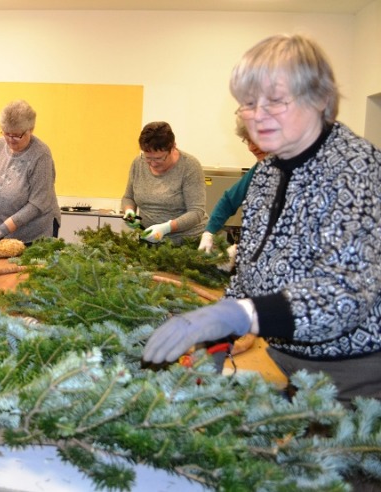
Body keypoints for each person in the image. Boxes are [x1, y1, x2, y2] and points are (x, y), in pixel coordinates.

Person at [143, 34, 381, 406]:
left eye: (275, 101)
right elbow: (250, 267)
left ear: (319, 98)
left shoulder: (355, 169)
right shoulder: (268, 171)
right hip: (283, 359)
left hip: (350, 376)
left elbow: (344, 295)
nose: (258, 115)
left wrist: (238, 314)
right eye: (248, 104)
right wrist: (219, 337)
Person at [0, 99, 61, 244]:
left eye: (16, 135)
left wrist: (1, 230)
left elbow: (37, 204)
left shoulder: (41, 155)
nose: (10, 140)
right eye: (6, 133)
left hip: (33, 235)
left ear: (31, 130)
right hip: (1, 234)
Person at [121, 121, 208, 244]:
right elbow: (128, 197)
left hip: (186, 243)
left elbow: (196, 212)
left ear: (173, 147)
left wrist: (166, 228)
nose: (153, 163)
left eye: (158, 158)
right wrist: (129, 212)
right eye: (148, 158)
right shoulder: (138, 163)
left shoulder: (189, 166)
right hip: (149, 240)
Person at [197, 118, 269, 253]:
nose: (251, 148)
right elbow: (229, 200)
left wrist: (241, 250)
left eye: (255, 140)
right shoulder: (260, 169)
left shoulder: (298, 174)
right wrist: (209, 232)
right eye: (248, 141)